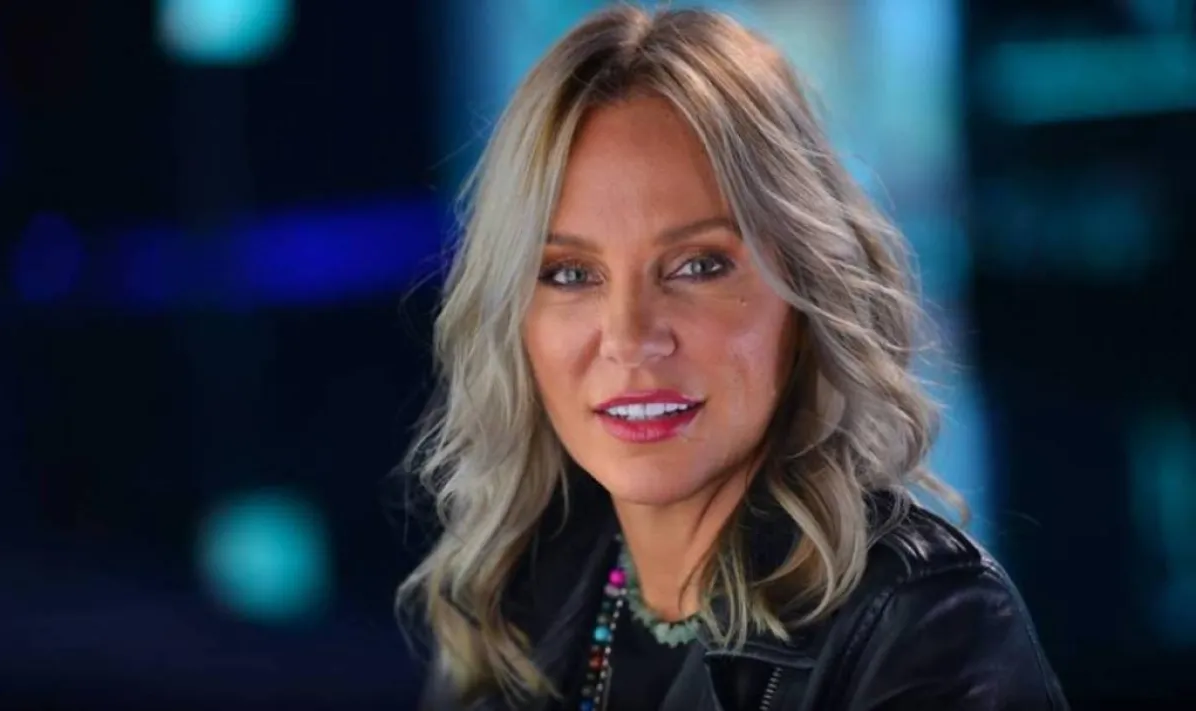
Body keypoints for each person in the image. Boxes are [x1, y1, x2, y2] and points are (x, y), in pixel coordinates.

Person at [399, 6, 1068, 710]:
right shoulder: (513, 607)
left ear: (805, 291)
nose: (629, 337)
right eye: (570, 273)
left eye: (697, 265)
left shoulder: (926, 627)